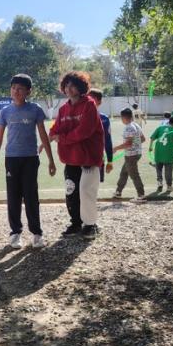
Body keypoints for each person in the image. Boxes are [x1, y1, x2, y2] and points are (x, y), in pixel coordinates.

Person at [0, 74, 56, 249]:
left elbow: (43, 134)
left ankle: (37, 234)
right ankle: (15, 233)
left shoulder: (35, 110)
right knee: (13, 196)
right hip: (11, 159)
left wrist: (51, 159)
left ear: (28, 91)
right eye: (13, 88)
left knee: (31, 196)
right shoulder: (5, 112)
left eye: (20, 88)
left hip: (30, 158)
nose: (16, 91)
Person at [49, 71, 105, 239]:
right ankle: (75, 223)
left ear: (81, 87)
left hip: (88, 158)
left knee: (86, 191)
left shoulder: (89, 105)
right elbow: (55, 129)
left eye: (73, 85)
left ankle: (90, 224)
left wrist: (62, 138)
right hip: (70, 159)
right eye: (66, 85)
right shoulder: (64, 108)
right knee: (71, 191)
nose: (68, 88)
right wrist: (53, 135)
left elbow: (84, 132)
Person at [112, 107, 146, 203]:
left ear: (123, 117)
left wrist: (115, 148)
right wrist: (136, 146)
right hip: (135, 154)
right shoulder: (136, 125)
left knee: (134, 175)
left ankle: (141, 195)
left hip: (131, 155)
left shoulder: (129, 127)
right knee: (124, 173)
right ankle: (118, 192)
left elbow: (128, 144)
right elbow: (143, 139)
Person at [149, 116, 173, 192]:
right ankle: (169, 186)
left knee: (158, 168)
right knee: (168, 170)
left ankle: (159, 182)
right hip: (169, 152)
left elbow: (152, 137)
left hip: (158, 151)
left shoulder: (160, 127)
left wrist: (150, 146)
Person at [88, 89, 113, 182]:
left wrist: (110, 160)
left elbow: (107, 140)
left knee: (94, 187)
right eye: (87, 98)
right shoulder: (78, 116)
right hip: (81, 159)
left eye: (92, 98)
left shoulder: (104, 119)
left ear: (99, 101)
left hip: (97, 159)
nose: (88, 100)